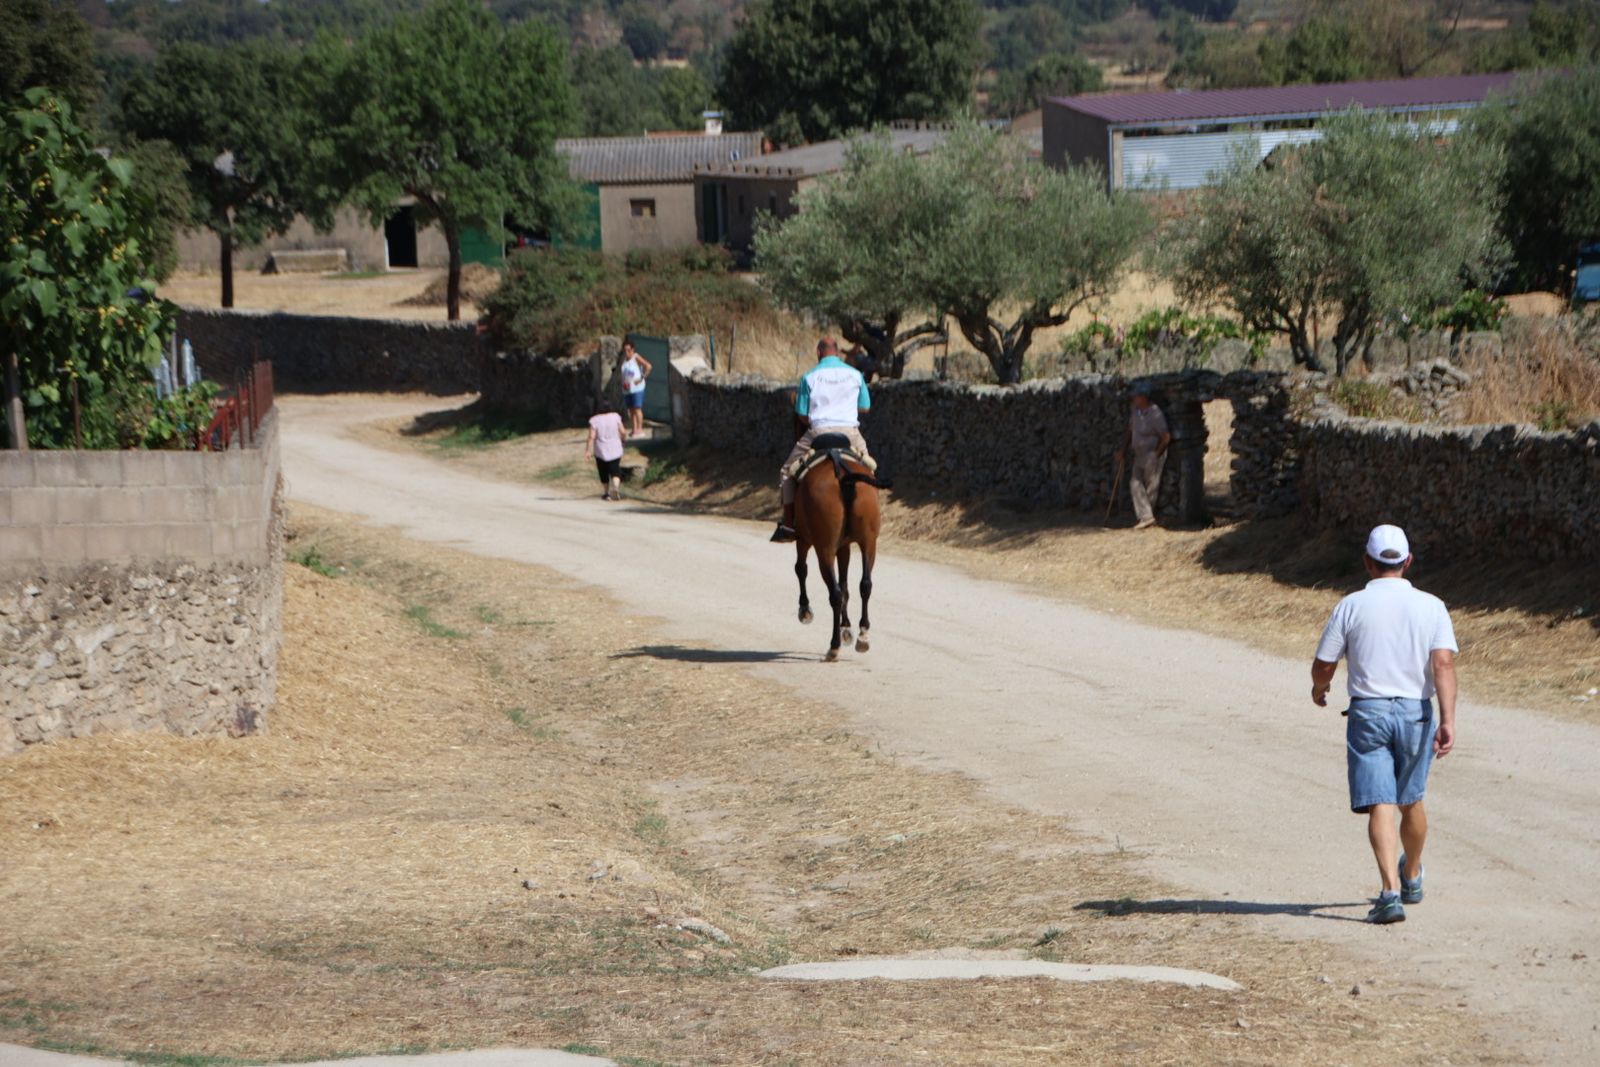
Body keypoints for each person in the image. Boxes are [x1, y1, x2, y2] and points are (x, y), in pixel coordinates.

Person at [1311, 524, 1458, 925]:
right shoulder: (1432, 606)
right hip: (1416, 712)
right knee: (1411, 799)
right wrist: (1447, 719)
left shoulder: (1351, 605)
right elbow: (1442, 663)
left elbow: (1326, 663)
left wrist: (1319, 687)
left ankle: (1390, 893)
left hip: (1369, 712)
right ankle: (1412, 874)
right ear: (1408, 562)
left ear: (1367, 563)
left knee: (1381, 801)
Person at [770, 337, 873, 543]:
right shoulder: (855, 375)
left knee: (786, 471)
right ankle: (869, 517)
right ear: (838, 353)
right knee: (869, 469)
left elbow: (801, 414)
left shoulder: (809, 376)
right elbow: (865, 407)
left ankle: (789, 525)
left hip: (818, 432)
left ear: (818, 353)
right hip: (850, 433)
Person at [1116, 384, 1170, 530]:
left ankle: (1147, 518)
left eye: (1136, 396)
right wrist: (1123, 449)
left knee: (1151, 486)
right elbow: (1130, 430)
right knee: (1135, 483)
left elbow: (1165, 437)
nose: (1134, 398)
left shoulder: (1155, 413)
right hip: (1139, 455)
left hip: (1152, 454)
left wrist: (1156, 454)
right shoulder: (1136, 411)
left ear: (1144, 397)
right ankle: (1147, 517)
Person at [586, 398, 626, 501]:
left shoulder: (594, 420)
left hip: (601, 450)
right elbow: (623, 432)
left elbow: (592, 436)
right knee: (615, 470)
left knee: (603, 471)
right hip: (615, 448)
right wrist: (623, 440)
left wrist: (588, 451)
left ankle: (606, 494)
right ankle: (616, 488)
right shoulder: (616, 417)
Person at [618, 341, 652, 438]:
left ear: (633, 350)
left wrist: (642, 378)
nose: (627, 352)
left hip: (637, 388)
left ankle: (640, 429)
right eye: (625, 350)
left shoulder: (635, 357)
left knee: (637, 408)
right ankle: (634, 429)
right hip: (627, 389)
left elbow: (648, 366)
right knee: (631, 410)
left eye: (629, 350)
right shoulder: (624, 361)